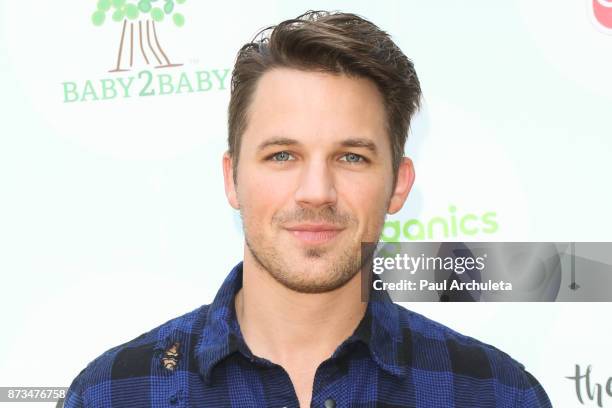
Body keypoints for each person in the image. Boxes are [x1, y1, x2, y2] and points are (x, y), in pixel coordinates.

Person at [64, 10, 552, 407]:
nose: (316, 191)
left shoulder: (495, 394)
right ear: (232, 178)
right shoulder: (114, 394)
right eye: (282, 156)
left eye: (351, 157)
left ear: (399, 185)